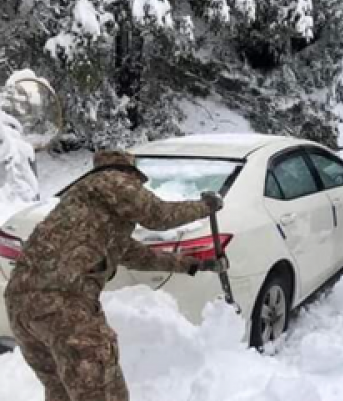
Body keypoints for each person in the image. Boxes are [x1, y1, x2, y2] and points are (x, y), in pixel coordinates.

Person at [4, 150, 228, 401]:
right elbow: (159, 215)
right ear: (130, 175)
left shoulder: (85, 213)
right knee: (104, 392)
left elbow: (140, 256)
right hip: (63, 304)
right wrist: (205, 207)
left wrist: (193, 265)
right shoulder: (112, 181)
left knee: (61, 392)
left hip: (20, 307)